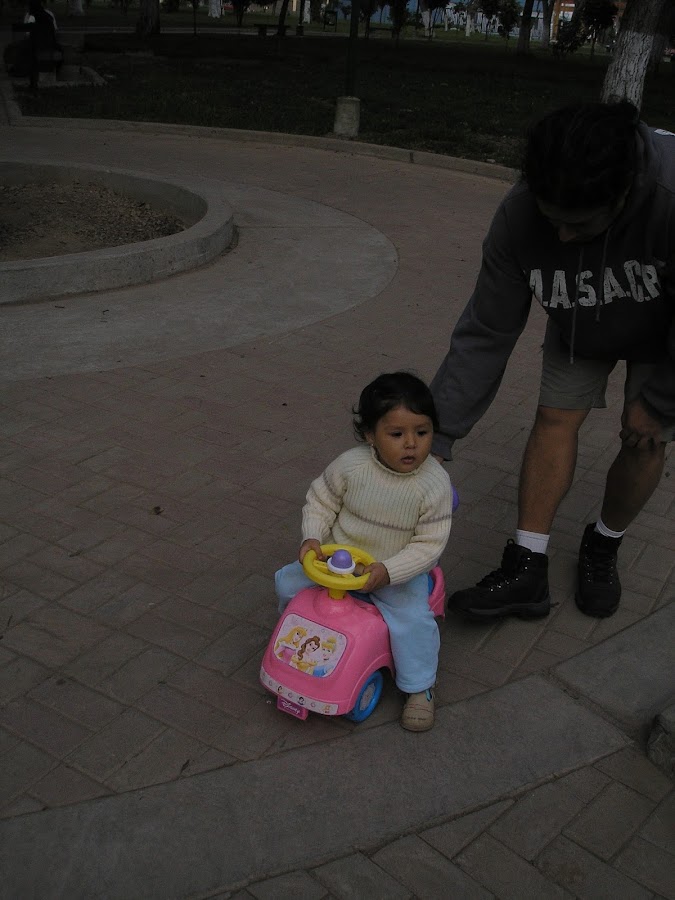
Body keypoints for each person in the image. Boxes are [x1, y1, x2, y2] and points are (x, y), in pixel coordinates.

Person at [430, 100, 674, 622]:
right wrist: (437, 435)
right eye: (551, 220)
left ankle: (603, 543)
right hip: (581, 312)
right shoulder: (519, 215)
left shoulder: (670, 196)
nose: (560, 237)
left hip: (666, 326)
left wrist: (660, 401)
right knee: (554, 417)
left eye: (577, 224)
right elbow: (486, 332)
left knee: (645, 436)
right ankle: (527, 565)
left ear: (622, 196)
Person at [274, 372, 454, 732]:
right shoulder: (350, 466)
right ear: (371, 435)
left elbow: (430, 545)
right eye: (397, 434)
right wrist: (312, 538)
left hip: (394, 572)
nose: (411, 444)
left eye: (422, 432)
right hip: (337, 562)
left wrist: (390, 571)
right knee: (287, 582)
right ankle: (296, 639)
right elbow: (321, 501)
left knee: (412, 622)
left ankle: (419, 687)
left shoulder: (434, 484)